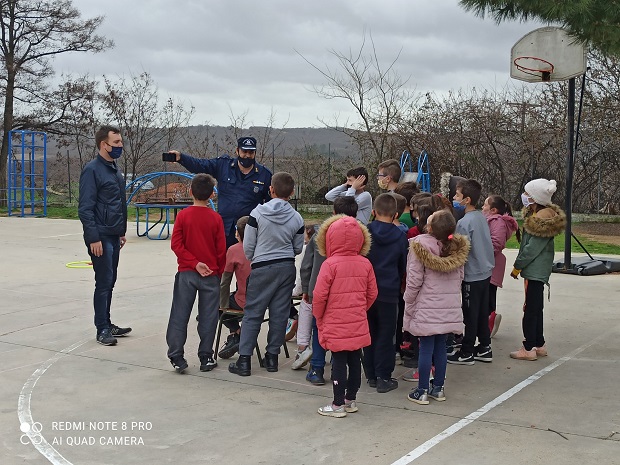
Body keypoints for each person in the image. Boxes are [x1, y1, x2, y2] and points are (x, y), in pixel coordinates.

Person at [228, 172, 304, 376]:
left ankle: (244, 361)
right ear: (292, 192)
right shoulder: (296, 217)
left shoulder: (257, 214)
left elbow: (248, 245)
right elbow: (298, 247)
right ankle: (271, 358)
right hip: (286, 266)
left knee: (253, 314)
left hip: (262, 266)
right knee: (279, 314)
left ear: (271, 190)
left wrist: (257, 257)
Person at [312, 215, 378, 417]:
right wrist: (359, 309)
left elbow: (319, 295)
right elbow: (372, 293)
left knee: (338, 362)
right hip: (357, 320)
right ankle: (350, 399)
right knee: (355, 359)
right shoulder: (365, 263)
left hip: (335, 321)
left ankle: (337, 404)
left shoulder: (330, 264)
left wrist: (319, 315)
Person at [404, 210, 469, 404]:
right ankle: (438, 388)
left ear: (429, 227)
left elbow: (414, 279)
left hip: (426, 305)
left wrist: (409, 299)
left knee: (425, 347)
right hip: (447, 305)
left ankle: (422, 389)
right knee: (440, 346)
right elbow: (461, 277)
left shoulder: (419, 246)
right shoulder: (457, 248)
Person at [166, 174, 226, 373]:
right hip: (211, 274)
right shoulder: (216, 219)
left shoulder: (183, 216)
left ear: (190, 191)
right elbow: (220, 250)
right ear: (211, 196)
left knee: (179, 314)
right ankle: (206, 356)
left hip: (187, 273)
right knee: (209, 316)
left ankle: (176, 355)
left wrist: (193, 263)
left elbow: (176, 245)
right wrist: (216, 271)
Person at [78, 125, 131, 346]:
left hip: (113, 235)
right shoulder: (92, 170)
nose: (120, 146)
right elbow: (85, 208)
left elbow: (118, 203)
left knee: (111, 281)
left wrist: (121, 232)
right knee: (103, 282)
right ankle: (102, 328)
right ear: (104, 144)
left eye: (120, 142)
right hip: (99, 236)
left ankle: (108, 323)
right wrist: (93, 238)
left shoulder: (114, 169)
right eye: (116, 143)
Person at [167, 137, 272, 248]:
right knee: (223, 262)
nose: (247, 155)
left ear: (255, 153)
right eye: (244, 151)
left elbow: (270, 205)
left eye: (251, 152)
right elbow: (200, 165)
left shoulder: (264, 175)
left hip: (249, 231)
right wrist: (181, 158)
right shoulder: (223, 166)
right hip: (224, 229)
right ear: (237, 151)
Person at [300, 196, 359, 385]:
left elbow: (306, 265)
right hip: (348, 291)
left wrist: (307, 288)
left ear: (333, 212)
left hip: (320, 289)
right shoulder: (360, 236)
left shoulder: (320, 235)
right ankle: (337, 365)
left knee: (319, 328)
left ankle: (317, 368)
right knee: (342, 328)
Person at [510, 179, 566, 361]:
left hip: (534, 271)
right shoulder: (543, 215)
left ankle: (528, 348)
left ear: (534, 198)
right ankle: (539, 343)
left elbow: (531, 249)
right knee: (536, 307)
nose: (524, 197)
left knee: (530, 309)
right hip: (539, 270)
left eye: (527, 194)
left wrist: (518, 265)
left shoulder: (541, 220)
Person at [447, 179, 495, 365]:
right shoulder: (480, 217)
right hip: (484, 272)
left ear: (466, 200)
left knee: (470, 313)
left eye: (457, 195)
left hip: (472, 274)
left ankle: (466, 351)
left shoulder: (464, 222)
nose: (454, 198)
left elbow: (459, 249)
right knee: (482, 311)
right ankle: (484, 347)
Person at [364, 194, 408, 393]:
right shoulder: (400, 236)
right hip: (389, 290)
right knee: (386, 334)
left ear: (373, 212)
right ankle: (384, 376)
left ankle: (371, 374)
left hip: (367, 290)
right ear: (396, 214)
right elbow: (402, 263)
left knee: (369, 333)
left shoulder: (366, 232)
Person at [482, 195, 520, 338]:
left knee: (488, 295)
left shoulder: (497, 221)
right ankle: (490, 319)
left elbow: (496, 243)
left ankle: (490, 322)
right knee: (487, 294)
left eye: (485, 205)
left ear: (493, 210)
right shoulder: (492, 220)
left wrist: (481, 253)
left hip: (491, 264)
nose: (482, 207)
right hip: (490, 263)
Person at [217, 216, 251, 359]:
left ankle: (236, 333)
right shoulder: (265, 247)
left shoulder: (234, 250)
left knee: (216, 305)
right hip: (263, 301)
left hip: (244, 300)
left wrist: (222, 304)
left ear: (237, 233)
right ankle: (236, 335)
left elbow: (225, 281)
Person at [290, 222, 320, 370]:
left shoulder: (308, 248)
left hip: (310, 291)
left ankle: (302, 347)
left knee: (305, 308)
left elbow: (304, 271)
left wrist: (303, 291)